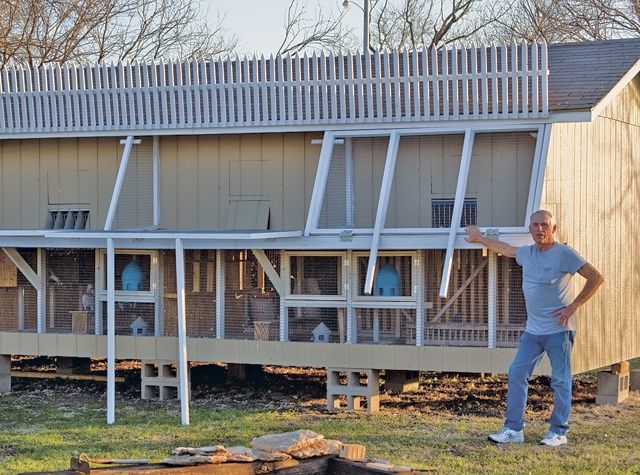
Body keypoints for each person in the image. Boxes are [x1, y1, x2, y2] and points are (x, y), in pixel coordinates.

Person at [465, 210, 604, 447]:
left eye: (545, 225)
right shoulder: (527, 254)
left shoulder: (564, 254)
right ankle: (514, 430)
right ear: (530, 228)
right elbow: (505, 248)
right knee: (517, 373)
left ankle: (558, 431)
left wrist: (573, 307)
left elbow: (595, 277)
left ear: (553, 229)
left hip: (559, 330)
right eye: (536, 225)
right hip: (533, 331)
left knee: (560, 380)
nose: (540, 229)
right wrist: (479, 238)